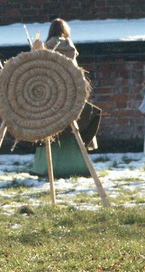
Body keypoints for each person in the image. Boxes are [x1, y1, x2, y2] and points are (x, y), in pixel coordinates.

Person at [31, 18, 101, 178]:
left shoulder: (46, 47)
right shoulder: (70, 47)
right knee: (73, 128)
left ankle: (49, 167)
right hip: (72, 94)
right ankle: (75, 164)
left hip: (52, 95)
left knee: (53, 128)